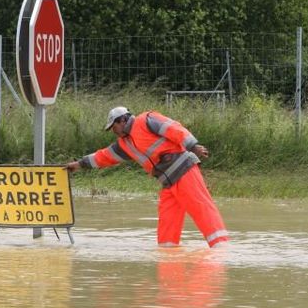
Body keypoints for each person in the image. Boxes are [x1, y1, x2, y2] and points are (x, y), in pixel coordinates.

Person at [66, 106, 229, 248]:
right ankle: (168, 257)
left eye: (113, 127)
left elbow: (174, 128)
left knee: (200, 207)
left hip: (184, 169)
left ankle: (221, 248)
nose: (113, 131)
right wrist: (79, 164)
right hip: (167, 181)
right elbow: (103, 156)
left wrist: (193, 146)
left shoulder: (146, 119)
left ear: (122, 120)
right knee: (167, 224)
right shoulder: (124, 144)